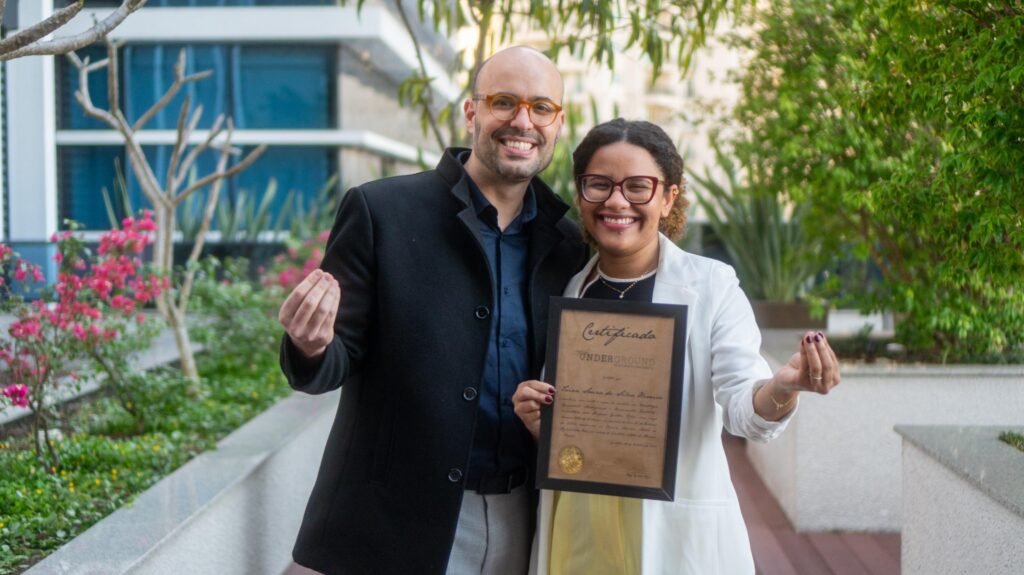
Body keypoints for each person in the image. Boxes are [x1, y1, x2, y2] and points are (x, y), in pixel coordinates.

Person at [277, 46, 588, 575]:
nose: (522, 121)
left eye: (541, 108)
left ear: (557, 121)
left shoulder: (569, 242)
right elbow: (333, 361)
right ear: (472, 112)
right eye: (504, 102)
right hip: (393, 521)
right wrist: (311, 344)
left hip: (528, 517)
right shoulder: (380, 210)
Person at [512, 119, 841, 575]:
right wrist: (539, 419)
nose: (616, 201)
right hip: (578, 526)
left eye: (638, 187)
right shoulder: (569, 288)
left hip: (673, 534)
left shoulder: (710, 286)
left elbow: (745, 409)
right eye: (599, 184)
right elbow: (574, 424)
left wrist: (784, 387)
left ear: (668, 197)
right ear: (581, 193)